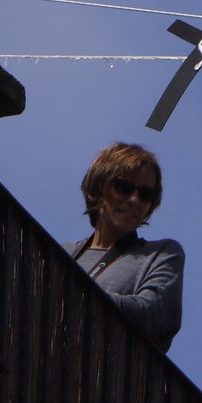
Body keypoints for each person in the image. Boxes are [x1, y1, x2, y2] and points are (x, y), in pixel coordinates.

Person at [66, 142, 184, 352]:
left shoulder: (161, 254)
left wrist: (75, 299)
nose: (134, 200)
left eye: (145, 195)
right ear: (99, 187)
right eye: (124, 188)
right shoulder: (64, 253)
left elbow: (153, 314)